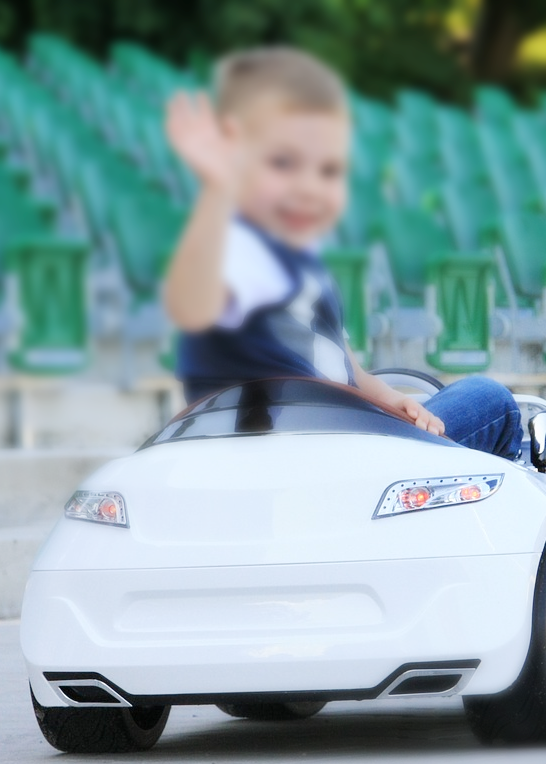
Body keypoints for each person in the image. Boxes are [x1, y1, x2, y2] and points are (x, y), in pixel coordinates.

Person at [161, 47, 520, 460]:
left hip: (353, 430)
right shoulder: (239, 249)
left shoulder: (304, 259)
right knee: (491, 400)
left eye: (327, 171)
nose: (309, 187)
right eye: (283, 164)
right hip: (314, 453)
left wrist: (393, 400)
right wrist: (217, 189)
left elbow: (347, 366)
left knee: (468, 400)